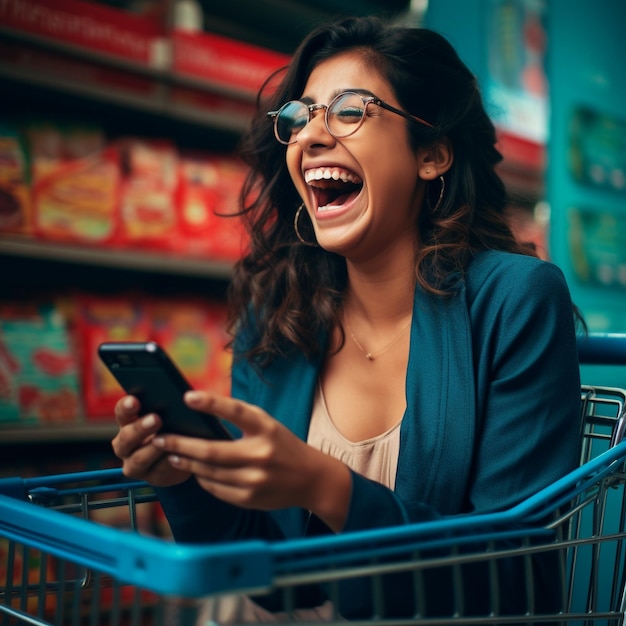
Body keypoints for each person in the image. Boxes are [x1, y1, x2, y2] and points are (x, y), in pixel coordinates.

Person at [111, 15, 582, 622]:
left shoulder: (515, 300)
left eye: (349, 110)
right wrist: (180, 479)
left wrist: (325, 487)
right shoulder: (274, 313)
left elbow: (514, 579)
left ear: (432, 154)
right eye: (299, 118)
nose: (310, 136)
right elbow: (264, 573)